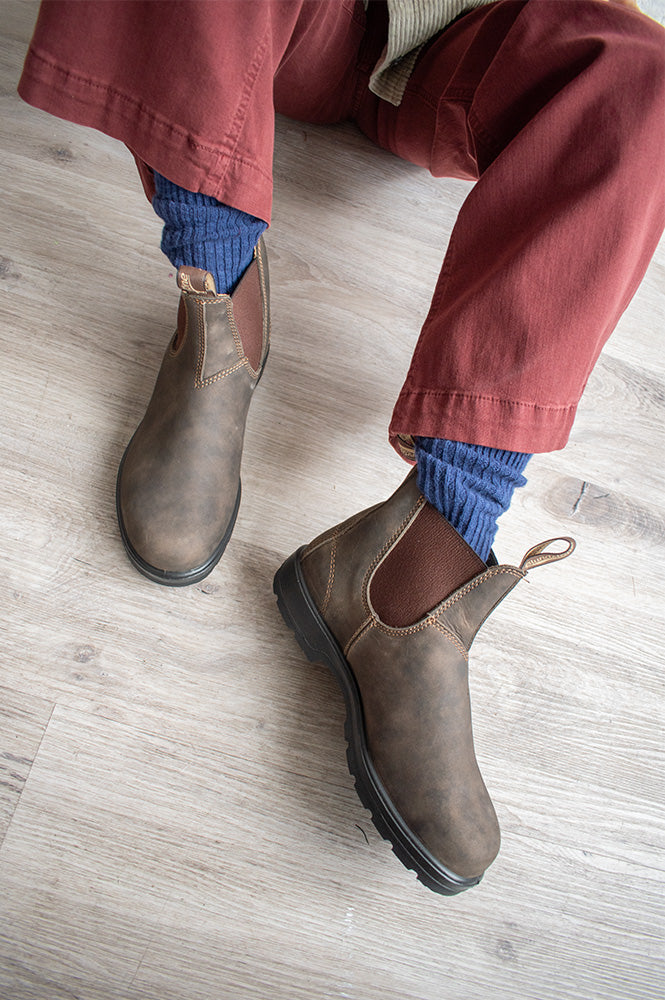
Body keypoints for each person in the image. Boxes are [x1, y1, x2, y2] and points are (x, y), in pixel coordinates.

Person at [17, 0, 665, 894]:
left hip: (460, 50)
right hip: (280, 29)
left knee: (647, 79)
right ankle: (222, 307)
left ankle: (427, 556)